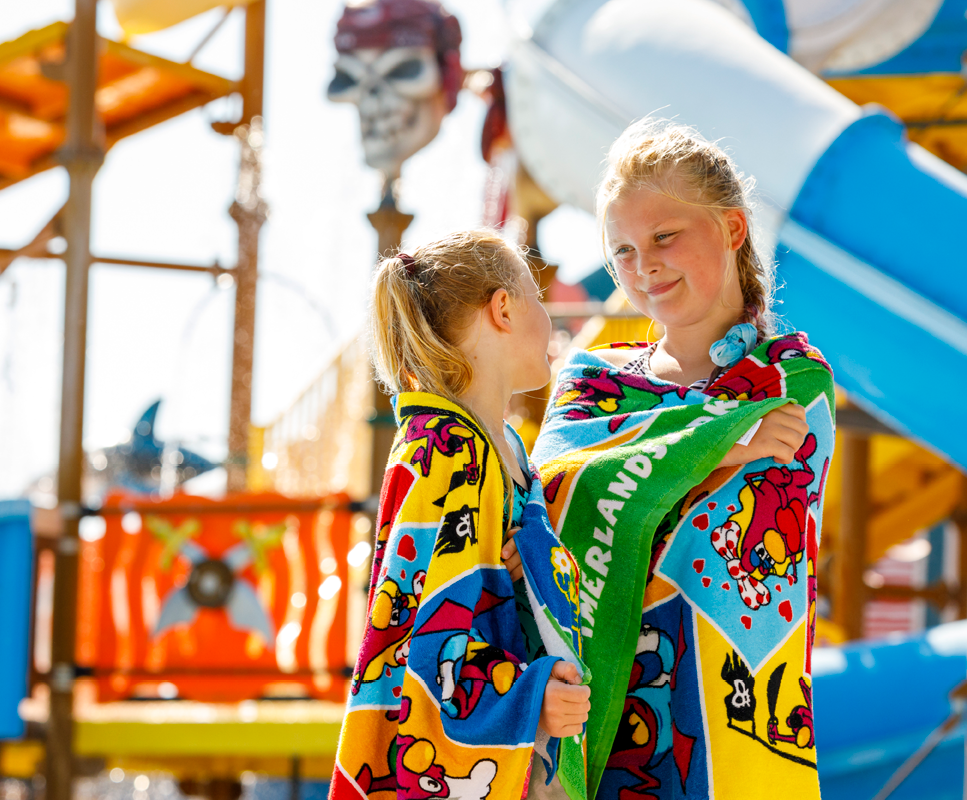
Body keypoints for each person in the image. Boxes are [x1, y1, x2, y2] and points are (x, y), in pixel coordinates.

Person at [532, 121, 837, 799]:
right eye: (623, 252)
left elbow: (748, 516)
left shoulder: (792, 377)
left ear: (731, 229)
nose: (645, 267)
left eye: (665, 237)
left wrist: (644, 461)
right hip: (594, 717)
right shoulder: (590, 381)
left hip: (727, 721)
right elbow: (550, 488)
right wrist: (724, 443)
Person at [329, 230, 592, 800]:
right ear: (503, 308)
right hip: (469, 763)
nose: (549, 319)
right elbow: (431, 649)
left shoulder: (503, 450)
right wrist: (530, 697)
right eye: (538, 300)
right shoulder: (452, 452)